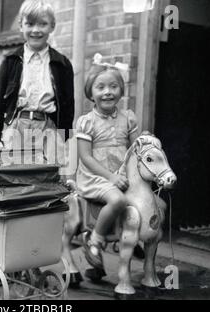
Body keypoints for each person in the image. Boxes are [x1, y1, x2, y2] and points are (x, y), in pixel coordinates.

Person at [0, 0, 74, 166]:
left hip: (48, 126)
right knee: (14, 173)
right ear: (21, 26)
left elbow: (68, 105)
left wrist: (63, 136)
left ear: (52, 26)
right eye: (30, 24)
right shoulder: (11, 61)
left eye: (42, 24)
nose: (36, 30)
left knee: (50, 174)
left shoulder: (62, 64)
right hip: (18, 125)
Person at [75, 54, 140, 276]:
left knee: (148, 200)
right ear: (91, 94)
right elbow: (86, 157)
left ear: (121, 90)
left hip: (121, 175)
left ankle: (133, 236)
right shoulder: (87, 122)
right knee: (118, 199)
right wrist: (111, 177)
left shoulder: (128, 118)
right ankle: (97, 238)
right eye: (100, 87)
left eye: (113, 86)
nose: (107, 92)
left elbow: (135, 151)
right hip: (97, 177)